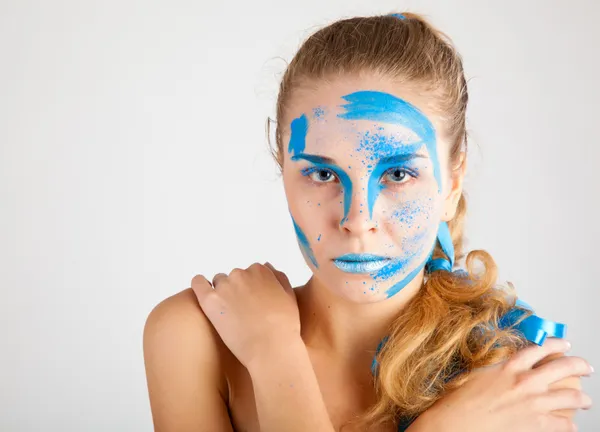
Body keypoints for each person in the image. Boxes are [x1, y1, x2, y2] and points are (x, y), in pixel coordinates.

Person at [143, 12, 593, 432]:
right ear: (284, 171)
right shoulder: (196, 337)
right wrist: (272, 350)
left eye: (398, 174)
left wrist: (274, 356)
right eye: (322, 174)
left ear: (452, 183)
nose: (358, 220)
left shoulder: (512, 372)